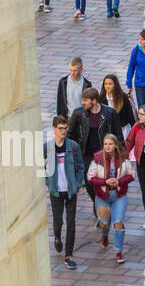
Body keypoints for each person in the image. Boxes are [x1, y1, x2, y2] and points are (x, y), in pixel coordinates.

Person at [68, 87, 119, 219]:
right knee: (89, 182)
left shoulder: (110, 113)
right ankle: (97, 203)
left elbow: (118, 135)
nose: (83, 103)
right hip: (86, 154)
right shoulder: (79, 114)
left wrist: (120, 155)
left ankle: (103, 205)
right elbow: (70, 134)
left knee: (105, 182)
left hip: (104, 154)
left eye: (85, 100)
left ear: (94, 101)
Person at [87, 133, 135, 264]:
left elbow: (132, 174)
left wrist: (119, 181)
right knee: (103, 223)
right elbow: (90, 177)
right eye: (105, 144)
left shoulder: (123, 157)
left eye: (110, 144)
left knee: (118, 223)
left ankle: (119, 251)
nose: (108, 146)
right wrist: (105, 181)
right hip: (102, 196)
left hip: (119, 195)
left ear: (115, 145)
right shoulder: (97, 157)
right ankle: (104, 234)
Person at [45, 116, 84, 270]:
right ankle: (56, 236)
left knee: (71, 221)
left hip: (70, 190)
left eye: (65, 128)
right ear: (54, 129)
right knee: (58, 220)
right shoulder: (47, 148)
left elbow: (80, 166)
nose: (63, 131)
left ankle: (69, 255)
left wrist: (77, 183)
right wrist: (48, 182)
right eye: (60, 128)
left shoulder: (73, 147)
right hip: (56, 190)